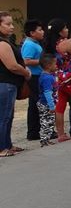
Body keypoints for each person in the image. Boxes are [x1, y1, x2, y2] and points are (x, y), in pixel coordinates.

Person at [0, 11, 32, 156]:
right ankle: (2, 147)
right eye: (8, 24)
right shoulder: (2, 44)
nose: (12, 27)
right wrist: (26, 72)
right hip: (5, 83)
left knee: (8, 115)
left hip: (10, 83)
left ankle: (7, 144)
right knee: (4, 116)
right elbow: (12, 65)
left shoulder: (7, 41)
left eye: (12, 24)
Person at [21, 19, 45, 142]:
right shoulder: (29, 44)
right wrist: (43, 61)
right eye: (39, 30)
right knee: (36, 104)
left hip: (38, 76)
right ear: (32, 33)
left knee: (36, 104)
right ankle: (33, 132)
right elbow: (26, 61)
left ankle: (36, 130)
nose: (43, 32)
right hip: (33, 77)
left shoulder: (35, 43)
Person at [36, 54, 59, 146]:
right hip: (46, 103)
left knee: (48, 121)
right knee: (47, 122)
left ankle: (46, 139)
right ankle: (44, 140)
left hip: (45, 103)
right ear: (49, 66)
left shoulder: (46, 76)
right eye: (55, 64)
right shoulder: (47, 78)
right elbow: (47, 93)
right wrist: (51, 105)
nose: (56, 66)